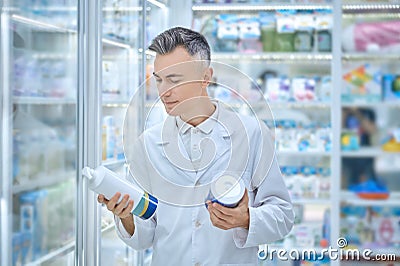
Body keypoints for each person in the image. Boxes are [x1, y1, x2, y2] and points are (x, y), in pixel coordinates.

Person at [98, 27, 294, 265]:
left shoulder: (251, 133)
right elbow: (143, 237)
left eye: (174, 80)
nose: (163, 91)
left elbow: (283, 215)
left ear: (205, 77)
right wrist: (126, 215)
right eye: (159, 79)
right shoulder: (148, 145)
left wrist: (247, 218)